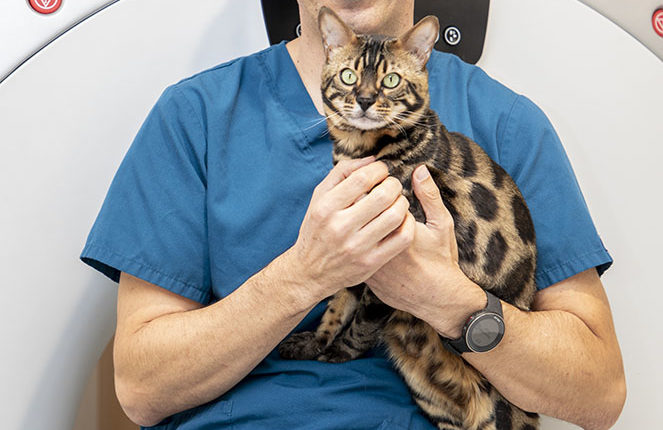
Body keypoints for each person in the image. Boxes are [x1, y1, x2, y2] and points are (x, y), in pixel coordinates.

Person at [80, 1, 625, 429]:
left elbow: (599, 395)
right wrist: (305, 274)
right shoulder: (193, 116)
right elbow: (141, 390)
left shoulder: (508, 122)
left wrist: (449, 301)